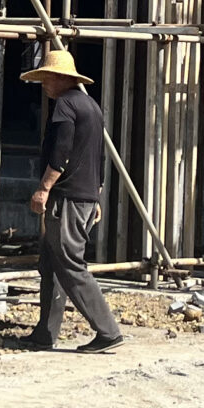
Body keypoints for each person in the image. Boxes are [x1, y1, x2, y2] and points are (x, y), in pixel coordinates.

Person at [19, 44, 124, 354]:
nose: (44, 85)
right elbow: (98, 157)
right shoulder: (91, 106)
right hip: (85, 197)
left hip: (68, 199)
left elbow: (61, 151)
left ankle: (108, 331)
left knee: (69, 264)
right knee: (51, 263)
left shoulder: (65, 105)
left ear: (61, 78)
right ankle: (45, 332)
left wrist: (44, 188)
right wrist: (97, 195)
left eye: (47, 78)